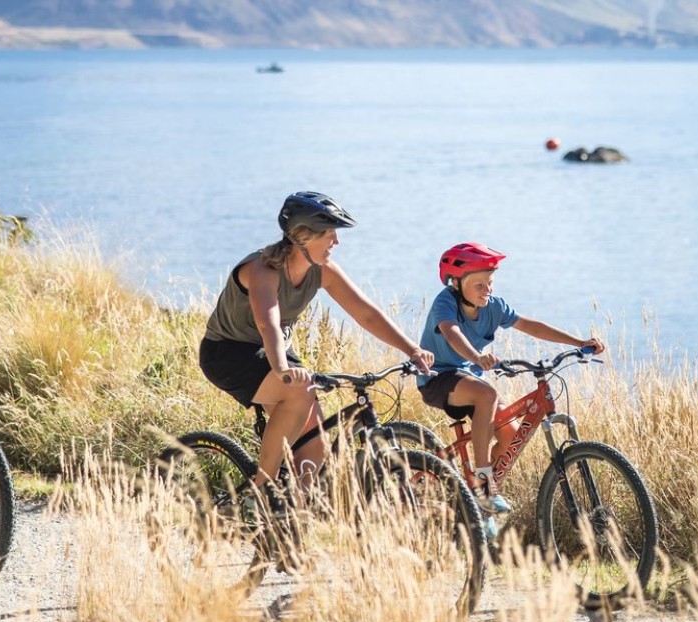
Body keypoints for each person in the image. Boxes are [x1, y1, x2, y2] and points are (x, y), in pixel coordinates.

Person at [198, 191, 433, 496]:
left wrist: (411, 349)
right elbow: (266, 323)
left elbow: (366, 314)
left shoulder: (322, 271)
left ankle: (292, 515)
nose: (336, 242)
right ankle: (259, 490)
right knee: (300, 392)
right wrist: (283, 369)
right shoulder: (261, 269)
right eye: (329, 234)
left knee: (315, 440)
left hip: (275, 350)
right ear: (302, 237)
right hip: (228, 352)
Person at [417, 242, 605, 516]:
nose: (488, 290)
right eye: (479, 284)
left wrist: (578, 341)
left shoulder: (494, 307)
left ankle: (481, 509)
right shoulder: (445, 302)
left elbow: (529, 325)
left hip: (468, 378)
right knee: (487, 394)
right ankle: (483, 485)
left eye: (490, 283)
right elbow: (451, 332)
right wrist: (476, 356)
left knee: (511, 435)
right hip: (437, 378)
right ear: (456, 284)